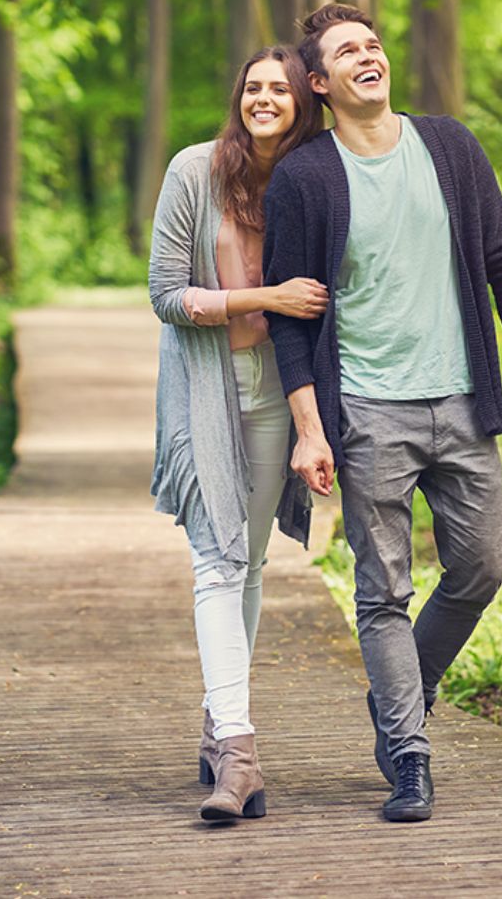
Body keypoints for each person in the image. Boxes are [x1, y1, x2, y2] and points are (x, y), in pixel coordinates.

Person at [263, 3, 502, 823]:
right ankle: (409, 755)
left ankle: (401, 699)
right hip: (366, 411)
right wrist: (312, 428)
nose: (369, 56)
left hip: (462, 400)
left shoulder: (451, 147)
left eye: (375, 44)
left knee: (479, 570)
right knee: (382, 590)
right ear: (319, 83)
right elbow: (293, 319)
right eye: (347, 51)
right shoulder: (307, 177)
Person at [148, 46, 326, 823]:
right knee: (217, 561)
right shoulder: (194, 171)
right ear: (238, 98)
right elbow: (164, 294)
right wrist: (268, 296)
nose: (262, 98)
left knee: (247, 561)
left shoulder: (312, 177)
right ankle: (241, 753)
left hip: (280, 391)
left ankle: (219, 722)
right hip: (205, 389)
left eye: (277, 90)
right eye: (251, 87)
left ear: (299, 103)